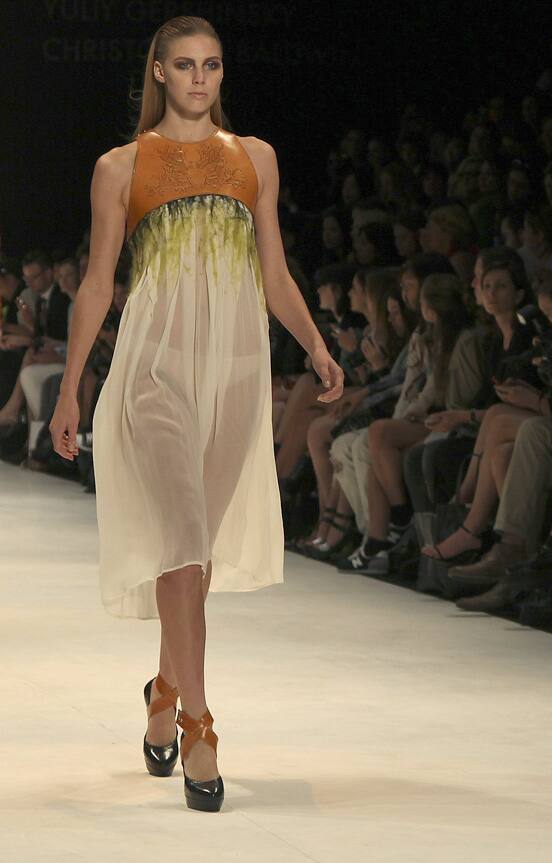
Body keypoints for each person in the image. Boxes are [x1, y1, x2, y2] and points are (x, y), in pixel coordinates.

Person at [48, 15, 343, 814]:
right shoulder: (121, 166)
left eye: (211, 65)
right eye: (183, 65)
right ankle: (200, 725)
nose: (199, 79)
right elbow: (100, 282)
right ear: (158, 71)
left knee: (196, 554)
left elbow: (273, 272)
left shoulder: (256, 160)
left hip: (237, 372)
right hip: (154, 370)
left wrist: (315, 346)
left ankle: (161, 687)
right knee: (181, 550)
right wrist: (73, 383)